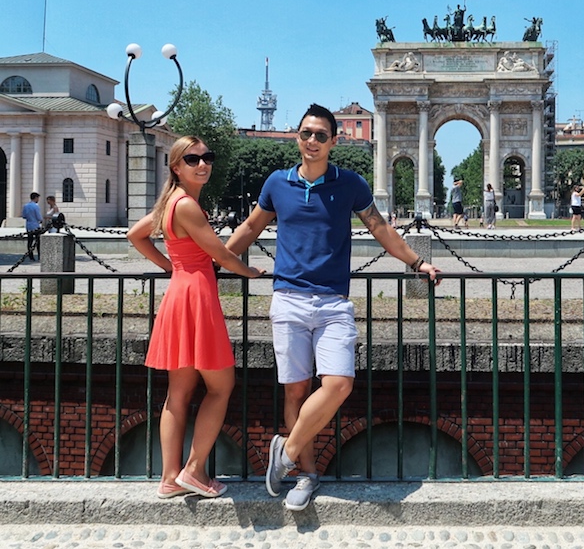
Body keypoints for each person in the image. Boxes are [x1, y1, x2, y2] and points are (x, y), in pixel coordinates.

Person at [224, 104, 440, 512]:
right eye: (306, 133)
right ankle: (305, 474)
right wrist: (218, 260)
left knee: (338, 383)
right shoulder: (277, 182)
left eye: (321, 135)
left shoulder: (351, 184)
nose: (312, 141)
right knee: (296, 390)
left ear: (334, 142)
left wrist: (416, 262)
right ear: (297, 137)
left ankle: (284, 454)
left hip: (333, 302)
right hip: (288, 298)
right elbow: (251, 227)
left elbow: (380, 229)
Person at [127, 136, 265, 500]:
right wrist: (251, 273)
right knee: (220, 386)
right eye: (193, 159)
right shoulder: (186, 205)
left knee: (179, 391)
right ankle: (194, 469)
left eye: (207, 158)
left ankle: (170, 478)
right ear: (176, 166)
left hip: (179, 294)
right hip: (198, 298)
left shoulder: (169, 202)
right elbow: (220, 253)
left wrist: (171, 266)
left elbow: (135, 235)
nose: (203, 164)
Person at [21, 192, 42, 260]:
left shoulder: (26, 206)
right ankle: (39, 255)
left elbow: (24, 216)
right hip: (35, 224)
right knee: (38, 241)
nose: (38, 199)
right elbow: (38, 216)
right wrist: (41, 220)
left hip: (28, 224)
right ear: (35, 198)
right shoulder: (36, 206)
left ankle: (31, 256)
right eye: (38, 198)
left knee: (30, 241)